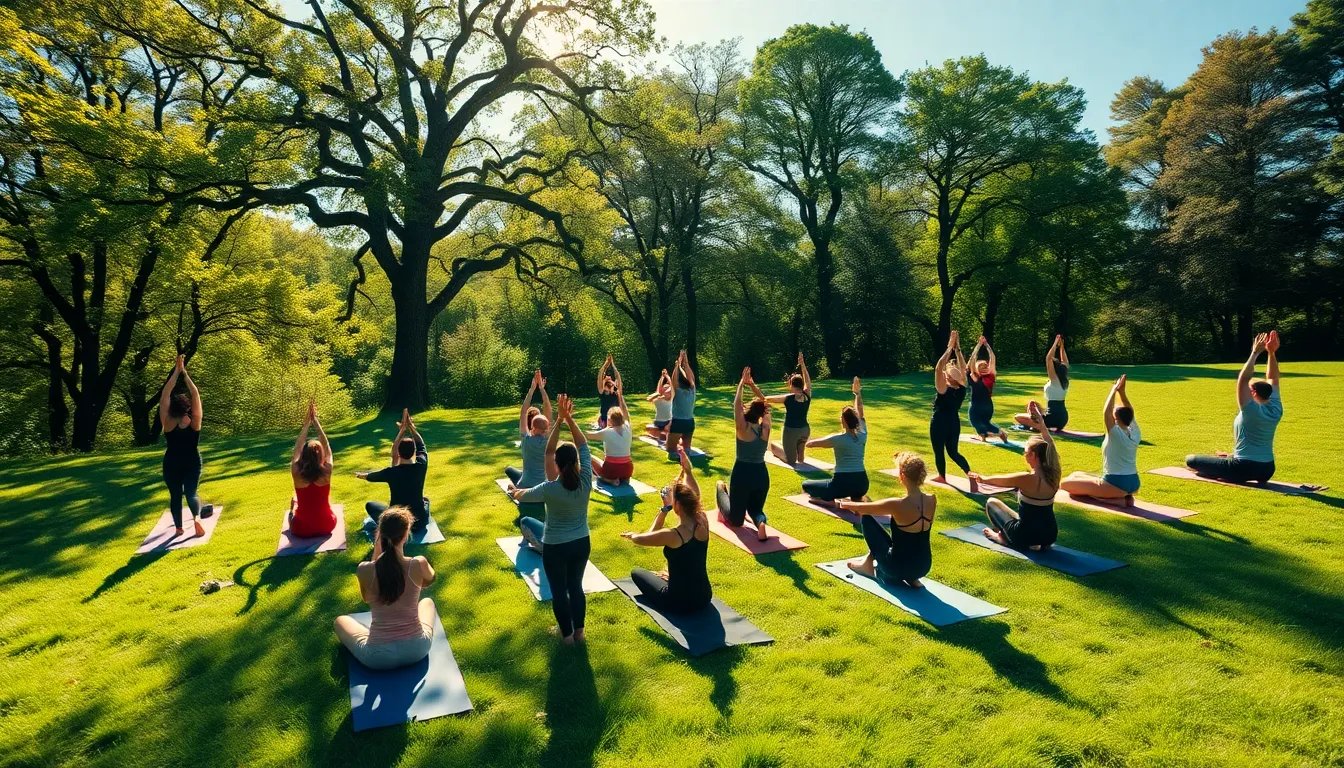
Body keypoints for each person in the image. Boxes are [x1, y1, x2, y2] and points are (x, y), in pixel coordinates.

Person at [510, 395, 594, 645]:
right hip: (581, 542)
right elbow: (584, 445)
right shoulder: (587, 478)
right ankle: (580, 633)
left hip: (556, 546)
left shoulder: (548, 488)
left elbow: (546, 455)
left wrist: (558, 423)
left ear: (556, 465)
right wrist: (568, 420)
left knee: (559, 591)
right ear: (576, 463)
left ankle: (566, 637)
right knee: (575, 587)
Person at [333, 508, 438, 669]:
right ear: (406, 535)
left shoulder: (365, 569)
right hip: (417, 650)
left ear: (380, 534)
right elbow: (429, 580)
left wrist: (378, 545)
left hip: (378, 658)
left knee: (340, 621)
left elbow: (367, 598)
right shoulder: (418, 563)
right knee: (427, 602)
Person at [620, 447, 712, 613]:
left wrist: (633, 535)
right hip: (704, 597)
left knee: (637, 573)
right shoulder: (702, 520)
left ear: (677, 506)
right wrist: (687, 471)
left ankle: (669, 582)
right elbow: (694, 494)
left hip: (678, 602)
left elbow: (644, 538)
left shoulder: (672, 535)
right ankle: (671, 577)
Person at [1185, 331, 1283, 484]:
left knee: (1191, 460)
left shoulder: (1250, 409)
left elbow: (1243, 378)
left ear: (1254, 392)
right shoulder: (1276, 407)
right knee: (1221, 458)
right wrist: (1271, 353)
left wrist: (1255, 352)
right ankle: (1228, 464)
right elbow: (1273, 378)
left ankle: (1224, 471)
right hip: (1268, 469)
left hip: (1242, 468)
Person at [837, 452, 937, 588]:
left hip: (896, 567)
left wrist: (843, 503)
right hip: (923, 567)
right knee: (903, 540)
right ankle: (912, 578)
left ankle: (867, 567)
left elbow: (862, 509)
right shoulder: (932, 499)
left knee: (867, 518)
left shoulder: (897, 504)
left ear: (902, 476)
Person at [971, 402, 1061, 551]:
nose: (1024, 456)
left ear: (1035, 455)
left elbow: (1001, 481)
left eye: (1026, 453)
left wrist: (982, 479)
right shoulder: (1055, 474)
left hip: (1024, 537)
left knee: (992, 503)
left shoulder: (1027, 478)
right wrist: (1041, 424)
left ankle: (1002, 538)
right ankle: (1016, 537)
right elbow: (1050, 446)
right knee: (1023, 516)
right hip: (1050, 535)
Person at [1061, 375, 1140, 504]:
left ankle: (1119, 500)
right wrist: (1122, 392)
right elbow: (1129, 411)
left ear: (1116, 418)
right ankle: (1123, 496)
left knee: (1064, 484)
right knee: (1075, 474)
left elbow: (1106, 412)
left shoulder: (1115, 433)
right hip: (1133, 482)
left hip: (1115, 483)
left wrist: (1114, 390)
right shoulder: (1135, 432)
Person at [714, 368, 772, 541]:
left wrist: (742, 383)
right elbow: (766, 403)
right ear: (762, 414)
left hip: (742, 473)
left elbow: (736, 405)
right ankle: (760, 522)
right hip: (761, 474)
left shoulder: (742, 428)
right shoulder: (765, 429)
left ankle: (720, 488)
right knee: (755, 509)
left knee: (736, 520)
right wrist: (753, 385)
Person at [357, 409, 430, 531]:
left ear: (399, 454)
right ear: (413, 453)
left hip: (398, 524)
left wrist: (401, 431)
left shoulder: (390, 472)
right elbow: (422, 446)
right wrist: (411, 428)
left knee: (370, 505)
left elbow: (369, 476)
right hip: (419, 523)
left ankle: (389, 523)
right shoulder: (420, 465)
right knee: (426, 501)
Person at [801, 377, 869, 504]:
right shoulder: (863, 434)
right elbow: (860, 412)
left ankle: (829, 501)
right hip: (862, 485)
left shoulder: (838, 439)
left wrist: (806, 441)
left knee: (806, 485)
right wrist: (857, 394)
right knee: (850, 490)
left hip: (841, 486)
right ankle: (855, 498)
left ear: (843, 421)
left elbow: (811, 444)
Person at [159, 355, 206, 538]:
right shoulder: (195, 421)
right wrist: (185, 374)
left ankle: (179, 528)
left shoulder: (168, 422)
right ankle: (196, 518)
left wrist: (176, 372)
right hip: (192, 461)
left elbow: (165, 394)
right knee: (191, 492)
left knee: (175, 495)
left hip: (172, 462)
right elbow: (195, 394)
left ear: (172, 408)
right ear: (187, 407)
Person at [930, 331, 976, 491]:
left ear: (948, 377)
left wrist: (949, 347)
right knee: (954, 453)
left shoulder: (943, 389)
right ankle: (970, 474)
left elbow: (937, 369)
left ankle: (942, 476)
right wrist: (958, 350)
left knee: (939, 451)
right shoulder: (962, 388)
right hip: (954, 423)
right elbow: (964, 370)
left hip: (939, 423)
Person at [289, 401, 337, 538]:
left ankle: (291, 510)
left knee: (291, 514)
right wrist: (316, 422)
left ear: (303, 455)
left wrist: (306, 425)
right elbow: (327, 446)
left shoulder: (296, 471)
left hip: (301, 529)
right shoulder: (327, 470)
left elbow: (297, 448)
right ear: (321, 456)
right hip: (327, 525)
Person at [505, 370, 552, 490]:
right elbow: (548, 409)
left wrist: (531, 390)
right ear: (546, 427)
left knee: (509, 469)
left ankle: (516, 488)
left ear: (532, 427)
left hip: (525, 485)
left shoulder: (526, 439)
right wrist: (541, 389)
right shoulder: (548, 440)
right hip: (542, 486)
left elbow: (523, 412)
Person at [1015, 334, 1070, 432]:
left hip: (1052, 418)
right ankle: (1038, 424)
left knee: (1017, 417)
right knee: (1033, 405)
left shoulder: (1054, 380)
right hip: (1063, 419)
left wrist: (1055, 343)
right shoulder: (1064, 381)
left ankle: (1038, 427)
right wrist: (1061, 347)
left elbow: (1048, 358)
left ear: (1054, 369)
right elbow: (1064, 361)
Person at [766, 352, 813, 465]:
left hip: (792, 431)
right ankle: (783, 447)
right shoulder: (807, 394)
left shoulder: (788, 398)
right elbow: (807, 380)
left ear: (791, 385)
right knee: (800, 459)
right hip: (804, 430)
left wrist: (757, 397)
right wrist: (802, 364)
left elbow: (768, 399)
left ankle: (773, 446)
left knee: (791, 460)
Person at [587, 381, 634, 485]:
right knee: (609, 462)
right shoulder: (627, 427)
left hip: (611, 469)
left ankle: (610, 480)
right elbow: (626, 413)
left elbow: (588, 435)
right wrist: (620, 398)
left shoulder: (607, 432)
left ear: (610, 420)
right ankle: (623, 479)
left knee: (588, 456)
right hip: (628, 469)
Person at [967, 336, 1009, 443]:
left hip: (976, 406)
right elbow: (993, 358)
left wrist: (978, 346)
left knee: (975, 422)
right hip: (989, 406)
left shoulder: (976, 377)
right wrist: (986, 345)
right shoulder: (991, 376)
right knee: (986, 423)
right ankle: (998, 432)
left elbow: (972, 361)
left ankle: (985, 435)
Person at [664, 349, 697, 460]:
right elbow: (692, 378)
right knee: (686, 449)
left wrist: (677, 366)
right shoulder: (692, 390)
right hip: (690, 423)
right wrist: (685, 363)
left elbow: (674, 381)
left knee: (670, 450)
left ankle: (679, 458)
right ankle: (686, 456)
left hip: (678, 422)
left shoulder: (677, 391)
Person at [645, 368, 675, 440]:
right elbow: (658, 390)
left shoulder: (670, 399)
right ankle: (661, 434)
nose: (667, 390)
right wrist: (662, 377)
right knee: (648, 428)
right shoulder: (657, 400)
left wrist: (667, 376)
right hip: (658, 422)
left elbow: (672, 387)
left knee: (669, 430)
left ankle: (663, 433)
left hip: (668, 422)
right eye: (665, 388)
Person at [595, 353, 622, 429]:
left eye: (610, 379)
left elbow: (618, 377)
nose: (609, 378)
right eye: (607, 380)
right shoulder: (602, 393)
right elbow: (600, 375)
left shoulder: (617, 393)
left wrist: (612, 364)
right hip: (605, 420)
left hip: (616, 419)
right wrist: (606, 364)